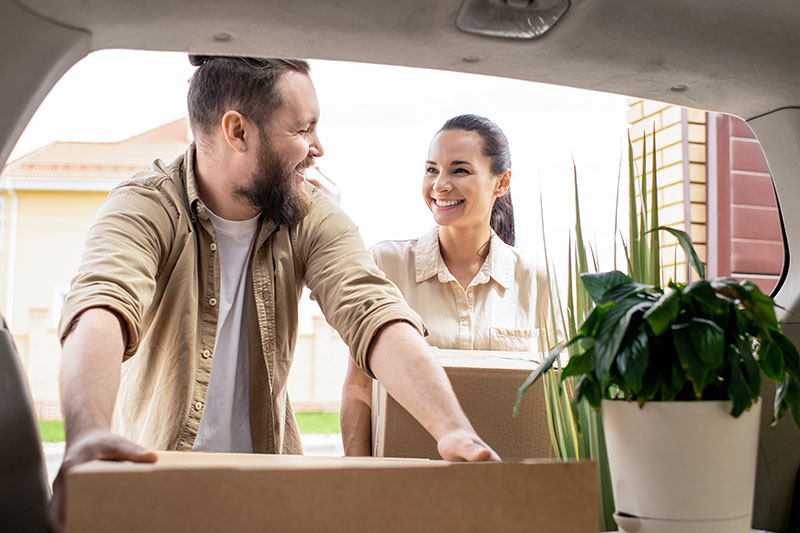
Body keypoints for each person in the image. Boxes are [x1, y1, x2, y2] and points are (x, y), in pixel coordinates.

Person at [48, 57, 498, 531]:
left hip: (268, 500)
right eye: (303, 130)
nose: (318, 147)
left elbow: (374, 312)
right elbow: (101, 307)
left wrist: (452, 430)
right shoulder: (145, 207)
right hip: (158, 495)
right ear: (238, 132)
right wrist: (88, 438)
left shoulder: (309, 215)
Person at [340, 114, 548, 457]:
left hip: (508, 485)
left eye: (460, 170)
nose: (440, 185)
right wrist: (361, 482)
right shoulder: (386, 265)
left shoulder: (538, 281)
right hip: (404, 484)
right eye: (432, 169)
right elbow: (359, 390)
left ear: (502, 182)